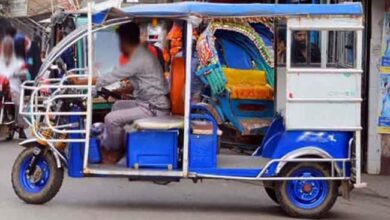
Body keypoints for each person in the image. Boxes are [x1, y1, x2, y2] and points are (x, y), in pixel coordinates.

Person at [71, 22, 170, 164]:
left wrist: (80, 82)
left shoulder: (138, 58)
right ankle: (122, 146)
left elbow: (111, 76)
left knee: (111, 119)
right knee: (118, 105)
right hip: (147, 102)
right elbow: (143, 82)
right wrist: (119, 91)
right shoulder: (139, 55)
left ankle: (114, 153)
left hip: (153, 108)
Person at [0, 37, 28, 139]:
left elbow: (24, 73)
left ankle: (21, 128)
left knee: (18, 104)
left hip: (14, 88)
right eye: (5, 47)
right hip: (2, 88)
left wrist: (17, 73)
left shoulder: (18, 61)